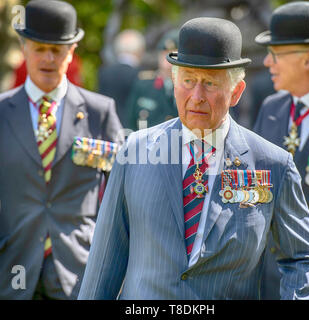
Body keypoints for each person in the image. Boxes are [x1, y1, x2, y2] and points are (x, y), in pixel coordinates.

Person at [78, 17, 309, 300]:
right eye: (188, 81)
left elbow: (303, 258)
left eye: (209, 83)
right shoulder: (134, 152)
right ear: (173, 82)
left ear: (236, 92)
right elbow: (103, 265)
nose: (196, 96)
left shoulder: (273, 164)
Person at [0, 0, 123, 300]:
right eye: (39, 48)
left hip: (78, 269)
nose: (48, 58)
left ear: (72, 52)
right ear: (24, 47)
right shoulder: (2, 112)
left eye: (57, 49)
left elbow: (121, 191)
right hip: (10, 266)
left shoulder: (100, 112)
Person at [253, 1, 309, 299]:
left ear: (307, 60)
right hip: (268, 281)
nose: (267, 63)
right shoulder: (272, 108)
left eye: (275, 54)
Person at [126, 29, 179, 131]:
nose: (167, 60)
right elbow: (131, 121)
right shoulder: (144, 84)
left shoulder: (185, 86)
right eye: (164, 54)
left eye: (173, 54)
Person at [98, 29, 146, 128]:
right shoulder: (141, 75)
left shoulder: (104, 72)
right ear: (140, 50)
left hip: (106, 128)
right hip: (131, 131)